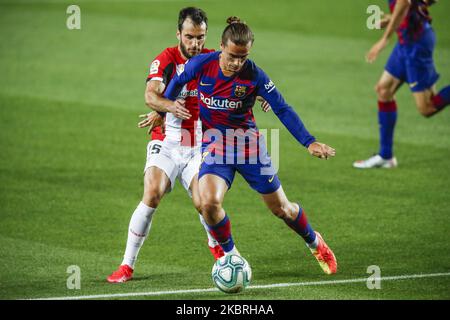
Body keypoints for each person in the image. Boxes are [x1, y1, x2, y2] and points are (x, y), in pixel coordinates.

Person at [162, 17, 338, 275]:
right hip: (216, 147)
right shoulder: (201, 64)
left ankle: (314, 241)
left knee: (282, 210)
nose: (237, 63)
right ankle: (232, 257)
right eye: (232, 56)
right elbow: (177, 82)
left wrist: (308, 142)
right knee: (208, 203)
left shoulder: (254, 75)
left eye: (242, 57)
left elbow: (282, 107)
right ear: (221, 46)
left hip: (249, 149)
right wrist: (163, 107)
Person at [107, 7, 222, 284]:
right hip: (168, 142)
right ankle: (126, 265)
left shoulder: (211, 59)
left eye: (201, 37)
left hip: (198, 147)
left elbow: (237, 83)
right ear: (179, 34)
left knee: (205, 202)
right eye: (190, 37)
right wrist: (167, 107)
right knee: (153, 191)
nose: (195, 43)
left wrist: (261, 98)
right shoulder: (166, 60)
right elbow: (150, 95)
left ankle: (219, 251)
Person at [353, 0, 449, 169]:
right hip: (406, 40)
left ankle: (385, 156)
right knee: (384, 90)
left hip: (416, 43)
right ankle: (385, 156)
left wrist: (384, 39)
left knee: (427, 108)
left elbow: (404, 2)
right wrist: (392, 19)